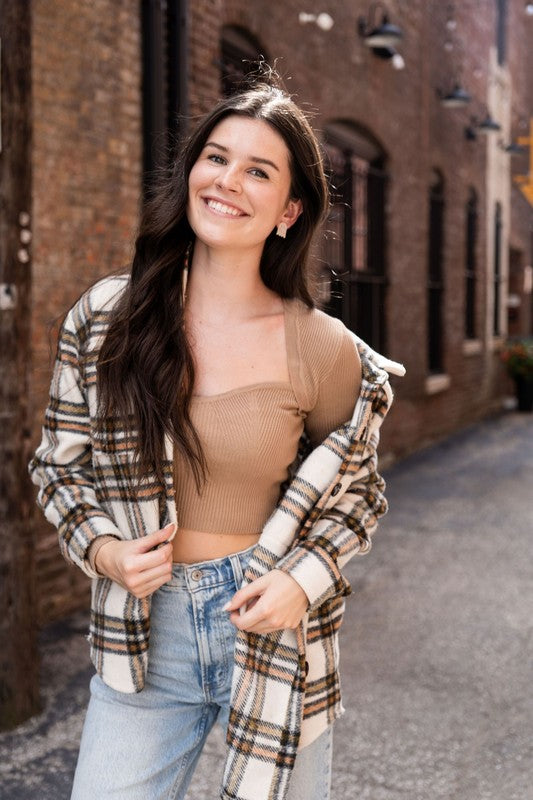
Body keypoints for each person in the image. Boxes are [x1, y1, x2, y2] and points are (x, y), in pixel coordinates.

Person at [29, 79, 404, 800]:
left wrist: (300, 582)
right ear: (191, 172)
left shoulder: (323, 350)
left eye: (258, 171)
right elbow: (57, 466)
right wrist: (105, 551)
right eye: (216, 158)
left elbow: (358, 496)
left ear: (290, 210)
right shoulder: (107, 317)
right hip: (145, 634)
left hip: (270, 626)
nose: (227, 181)